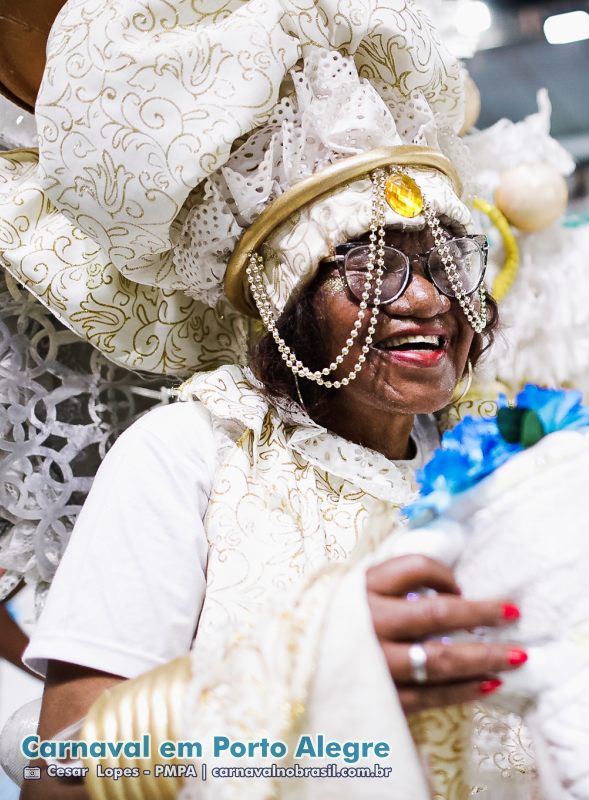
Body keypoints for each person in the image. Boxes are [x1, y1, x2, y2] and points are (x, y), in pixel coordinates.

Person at [0, 2, 542, 797]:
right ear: (286, 299)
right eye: (373, 264)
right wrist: (311, 685)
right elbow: (62, 774)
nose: (427, 299)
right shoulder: (188, 455)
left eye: (443, 260)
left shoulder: (501, 464)